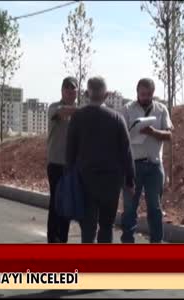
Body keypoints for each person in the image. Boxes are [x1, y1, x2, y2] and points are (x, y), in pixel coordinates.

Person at [66, 76, 135, 243]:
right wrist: (130, 181)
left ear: (87, 94)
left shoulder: (77, 117)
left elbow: (70, 152)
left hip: (85, 181)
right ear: (106, 95)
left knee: (88, 228)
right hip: (111, 183)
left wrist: (69, 178)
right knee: (106, 226)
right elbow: (126, 151)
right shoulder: (117, 118)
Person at [120, 78, 173, 243]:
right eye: (143, 94)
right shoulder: (127, 109)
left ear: (153, 93)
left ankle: (156, 245)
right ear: (137, 92)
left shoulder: (161, 109)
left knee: (155, 209)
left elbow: (169, 135)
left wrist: (153, 132)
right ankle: (128, 243)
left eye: (149, 94)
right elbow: (120, 136)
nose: (145, 97)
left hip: (154, 166)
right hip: (133, 166)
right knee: (129, 208)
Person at [46, 76, 79, 243]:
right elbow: (63, 112)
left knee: (67, 204)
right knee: (56, 203)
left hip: (72, 166)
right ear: (62, 90)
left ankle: (62, 241)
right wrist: (90, 107)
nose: (70, 91)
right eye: (67, 88)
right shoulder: (54, 108)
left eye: (73, 88)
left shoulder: (79, 113)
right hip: (56, 164)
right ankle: (53, 240)